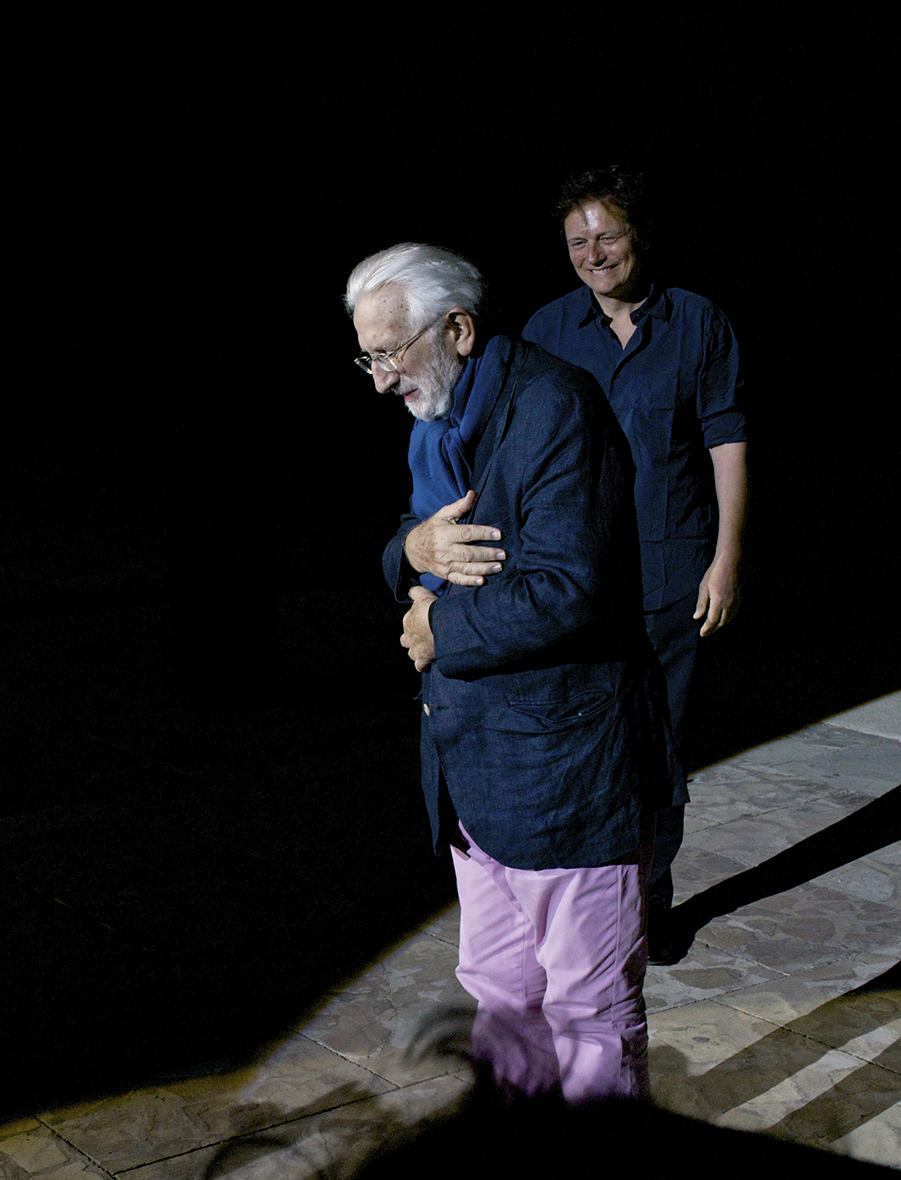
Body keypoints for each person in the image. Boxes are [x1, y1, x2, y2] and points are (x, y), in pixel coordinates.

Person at [345, 243, 677, 1102]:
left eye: (391, 352)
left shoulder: (555, 408)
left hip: (565, 777)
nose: (380, 380)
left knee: (587, 1010)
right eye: (367, 356)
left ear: (457, 327)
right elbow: (414, 539)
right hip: (475, 771)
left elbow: (568, 591)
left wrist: (434, 627)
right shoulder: (443, 421)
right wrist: (411, 553)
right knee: (500, 995)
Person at [522, 167, 747, 959]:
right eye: (578, 241)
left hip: (669, 576)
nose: (594, 253)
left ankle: (650, 899)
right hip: (575, 580)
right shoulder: (547, 330)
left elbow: (727, 442)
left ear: (638, 235)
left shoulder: (698, 324)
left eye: (607, 235)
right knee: (580, 746)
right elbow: (517, 452)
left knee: (661, 747)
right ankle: (588, 902)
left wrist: (725, 558)